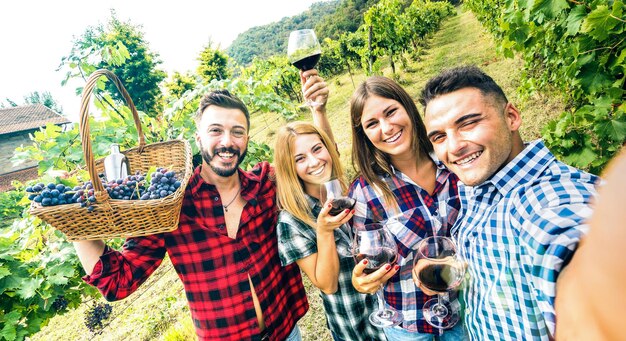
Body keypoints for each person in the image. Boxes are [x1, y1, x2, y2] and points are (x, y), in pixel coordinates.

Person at [72, 89, 323, 340]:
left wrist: (318, 112)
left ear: (246, 138)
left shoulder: (267, 183)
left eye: (237, 132)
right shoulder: (172, 207)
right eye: (215, 130)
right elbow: (117, 282)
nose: (227, 142)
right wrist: (74, 218)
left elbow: (322, 176)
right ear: (198, 138)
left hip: (286, 332)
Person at [419, 65, 599, 340]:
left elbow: (569, 245)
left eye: (467, 124)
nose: (453, 147)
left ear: (512, 117)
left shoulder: (547, 202)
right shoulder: (482, 182)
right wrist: (449, 273)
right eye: (440, 137)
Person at [348, 76, 467, 340]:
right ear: (364, 134)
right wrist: (363, 281)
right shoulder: (366, 192)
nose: (387, 127)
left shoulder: (454, 163)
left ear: (408, 107)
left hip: (464, 311)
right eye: (372, 123)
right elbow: (366, 257)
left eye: (391, 112)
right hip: (407, 325)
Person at [274, 71, 387, 341]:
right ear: (290, 168)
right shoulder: (292, 222)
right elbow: (326, 283)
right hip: (353, 325)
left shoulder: (343, 189)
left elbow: (328, 148)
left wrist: (319, 110)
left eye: (316, 149)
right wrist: (323, 231)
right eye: (300, 158)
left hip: (387, 311)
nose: (314, 162)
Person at [555, 148, 625, 340]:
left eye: (470, 122)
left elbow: (564, 232)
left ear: (513, 118)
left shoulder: (552, 194)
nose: (461, 145)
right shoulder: (473, 188)